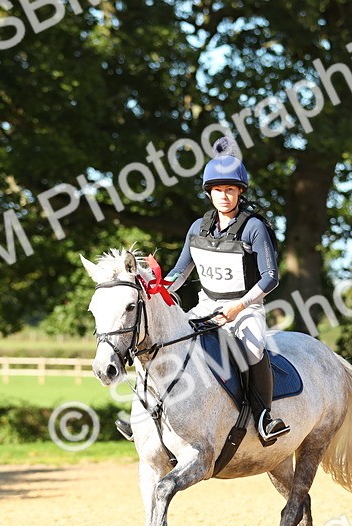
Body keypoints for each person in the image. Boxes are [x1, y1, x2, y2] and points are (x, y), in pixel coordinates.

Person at [117, 136, 290, 444]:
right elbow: (180, 272)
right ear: (209, 193)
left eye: (230, 190)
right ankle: (142, 416)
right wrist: (154, 289)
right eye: (218, 190)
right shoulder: (198, 227)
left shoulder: (254, 228)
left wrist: (238, 308)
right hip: (204, 306)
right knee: (164, 342)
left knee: (254, 347)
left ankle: (264, 416)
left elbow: (270, 277)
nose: (223, 196)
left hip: (244, 308)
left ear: (239, 192)